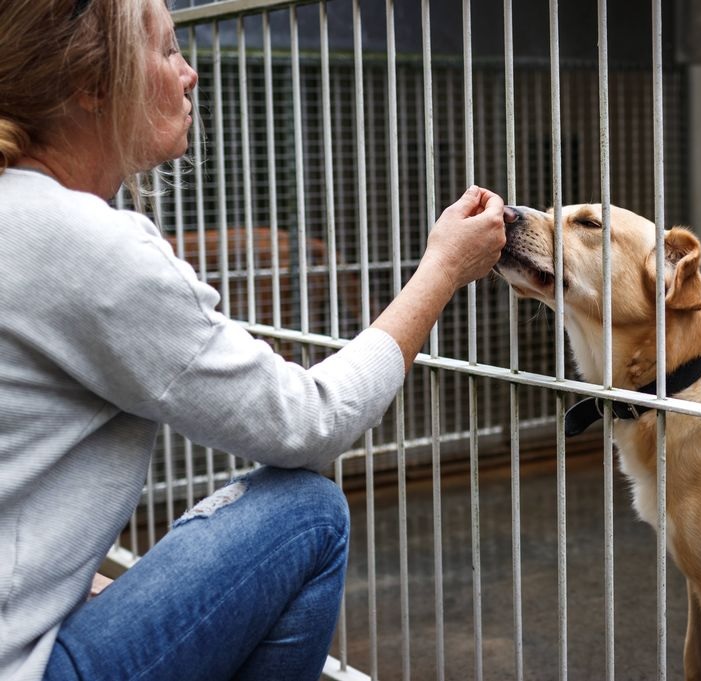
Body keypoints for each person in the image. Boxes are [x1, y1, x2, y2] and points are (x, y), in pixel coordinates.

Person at [0, 1, 508, 679]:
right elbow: (307, 421)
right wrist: (441, 269)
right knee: (303, 511)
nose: (191, 74)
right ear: (94, 85)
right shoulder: (82, 243)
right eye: (170, 50)